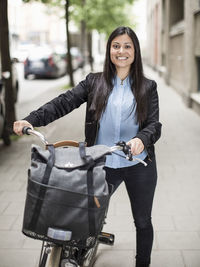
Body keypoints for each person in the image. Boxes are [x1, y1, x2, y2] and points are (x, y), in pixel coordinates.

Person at [13, 26, 162, 267]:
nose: (121, 51)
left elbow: (154, 125)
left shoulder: (147, 86)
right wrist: (31, 119)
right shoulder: (95, 82)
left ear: (135, 51)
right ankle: (79, 254)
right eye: (116, 46)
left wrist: (141, 139)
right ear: (109, 50)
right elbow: (64, 102)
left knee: (143, 221)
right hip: (101, 163)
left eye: (127, 46)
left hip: (138, 164)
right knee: (84, 214)